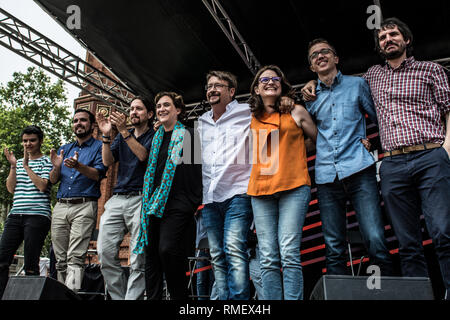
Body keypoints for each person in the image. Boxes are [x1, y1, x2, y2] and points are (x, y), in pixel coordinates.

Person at [302, 18, 450, 298]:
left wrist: (445, 148)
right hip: (358, 169)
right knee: (386, 243)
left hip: (400, 161)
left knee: (420, 234)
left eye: (393, 34)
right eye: (383, 37)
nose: (388, 39)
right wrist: (309, 86)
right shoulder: (326, 93)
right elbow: (316, 134)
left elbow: (387, 115)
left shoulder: (374, 80)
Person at [304, 39, 394, 276]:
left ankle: (386, 293)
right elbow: (308, 138)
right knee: (333, 246)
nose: (320, 56)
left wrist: (372, 142)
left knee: (375, 238)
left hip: (359, 170)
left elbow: (380, 121)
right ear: (312, 66)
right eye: (314, 55)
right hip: (325, 177)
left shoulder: (358, 85)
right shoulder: (309, 98)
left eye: (325, 51)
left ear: (336, 58)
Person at [246, 65, 317, 300]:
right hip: (260, 190)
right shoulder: (250, 117)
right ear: (256, 89)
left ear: (282, 85)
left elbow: (317, 140)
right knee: (267, 256)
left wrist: (294, 150)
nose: (270, 82)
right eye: (264, 79)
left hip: (294, 187)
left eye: (276, 78)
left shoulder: (296, 111)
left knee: (288, 253)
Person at [134, 92, 202, 300]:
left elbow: (194, 173)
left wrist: (190, 203)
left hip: (178, 203)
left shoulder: (190, 135)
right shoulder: (156, 138)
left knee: (167, 250)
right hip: (153, 204)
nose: (162, 109)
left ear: (178, 110)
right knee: (151, 256)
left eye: (167, 105)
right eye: (159, 106)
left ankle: (180, 297)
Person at [197, 70, 254, 300]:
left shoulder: (247, 112)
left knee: (234, 250)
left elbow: (275, 104)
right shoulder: (201, 121)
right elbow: (195, 159)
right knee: (218, 256)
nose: (212, 89)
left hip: (238, 192)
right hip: (210, 199)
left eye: (218, 85)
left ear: (231, 91)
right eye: (209, 86)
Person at [96, 96, 154, 300]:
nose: (133, 113)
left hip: (141, 199)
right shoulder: (122, 136)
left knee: (138, 258)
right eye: (131, 109)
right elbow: (107, 161)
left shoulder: (154, 136)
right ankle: (119, 297)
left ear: (149, 114)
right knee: (104, 253)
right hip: (117, 198)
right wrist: (105, 136)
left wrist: (121, 131)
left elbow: (143, 156)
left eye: (139, 109)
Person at [49, 109, 107, 292]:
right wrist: (57, 167)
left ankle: (71, 295)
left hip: (84, 205)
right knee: (60, 259)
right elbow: (52, 180)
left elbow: (98, 174)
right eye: (75, 121)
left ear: (91, 125)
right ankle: (61, 295)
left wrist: (78, 166)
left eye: (83, 120)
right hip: (61, 205)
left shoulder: (99, 147)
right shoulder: (64, 148)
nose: (78, 124)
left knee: (75, 257)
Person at [0, 126, 52, 298]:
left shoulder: (46, 161)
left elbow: (43, 185)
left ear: (40, 141)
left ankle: (29, 296)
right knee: (2, 259)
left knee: (31, 262)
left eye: (32, 140)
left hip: (37, 215)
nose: (28, 143)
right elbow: (10, 189)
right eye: (25, 140)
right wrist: (14, 166)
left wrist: (27, 166)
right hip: (16, 215)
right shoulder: (18, 163)